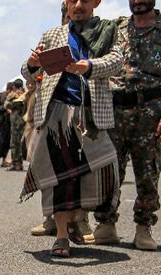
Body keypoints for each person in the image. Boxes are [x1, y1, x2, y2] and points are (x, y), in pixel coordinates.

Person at [22, 0, 123, 258]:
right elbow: (28, 72)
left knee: (103, 169)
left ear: (96, 3)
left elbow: (116, 61)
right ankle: (61, 236)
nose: (78, 5)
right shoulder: (52, 34)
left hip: (91, 114)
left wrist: (87, 67)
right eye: (72, 0)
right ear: (66, 4)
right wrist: (33, 64)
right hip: (57, 113)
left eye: (85, 0)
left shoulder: (107, 30)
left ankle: (80, 218)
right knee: (60, 177)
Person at [83, 0, 161, 250]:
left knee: (148, 172)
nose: (137, 1)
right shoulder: (116, 27)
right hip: (115, 108)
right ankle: (106, 226)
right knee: (109, 170)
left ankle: (143, 227)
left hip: (149, 109)